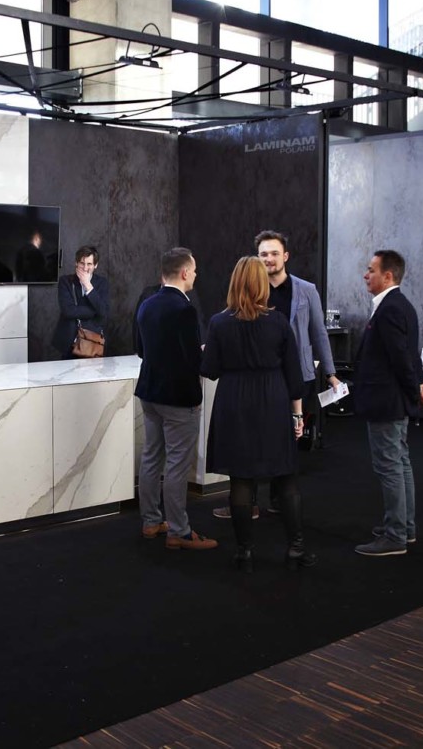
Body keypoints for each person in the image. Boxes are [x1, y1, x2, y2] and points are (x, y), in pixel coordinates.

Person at [212, 230, 340, 520]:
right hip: (260, 377)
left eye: (273, 253)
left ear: (286, 256)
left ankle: (279, 500)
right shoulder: (250, 288)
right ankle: (247, 503)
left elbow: (319, 332)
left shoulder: (306, 290)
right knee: (250, 441)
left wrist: (331, 373)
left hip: (296, 375)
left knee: (286, 441)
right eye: (263, 254)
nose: (268, 259)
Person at [202, 256, 313, 571]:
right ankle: (296, 548)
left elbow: (209, 370)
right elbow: (294, 376)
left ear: (234, 283)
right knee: (286, 477)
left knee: (241, 480)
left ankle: (244, 552)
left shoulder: (219, 323)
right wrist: (297, 416)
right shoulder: (278, 322)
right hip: (272, 402)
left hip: (233, 403)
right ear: (262, 285)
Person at [350, 250, 423, 557]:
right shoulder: (401, 306)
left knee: (389, 466)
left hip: (386, 401)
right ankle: (405, 528)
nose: (365, 274)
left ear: (388, 276)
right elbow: (410, 354)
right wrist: (417, 387)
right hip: (394, 399)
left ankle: (396, 534)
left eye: (370, 270)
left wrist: (414, 390)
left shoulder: (390, 309)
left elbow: (401, 359)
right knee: (400, 463)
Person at [134, 248, 217, 551]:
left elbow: (141, 350)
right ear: (184, 273)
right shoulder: (184, 309)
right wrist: (205, 354)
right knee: (177, 466)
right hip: (179, 398)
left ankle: (151, 522)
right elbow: (193, 361)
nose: (195, 275)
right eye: (193, 271)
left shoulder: (146, 303)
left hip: (149, 392)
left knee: (151, 458)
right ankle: (180, 532)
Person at [53, 245, 110, 360]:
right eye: (82, 263)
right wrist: (94, 311)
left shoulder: (102, 283)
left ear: (95, 265)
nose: (85, 268)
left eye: (89, 264)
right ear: (76, 263)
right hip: (69, 341)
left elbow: (103, 311)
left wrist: (88, 286)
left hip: (92, 341)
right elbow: (68, 311)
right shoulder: (66, 281)